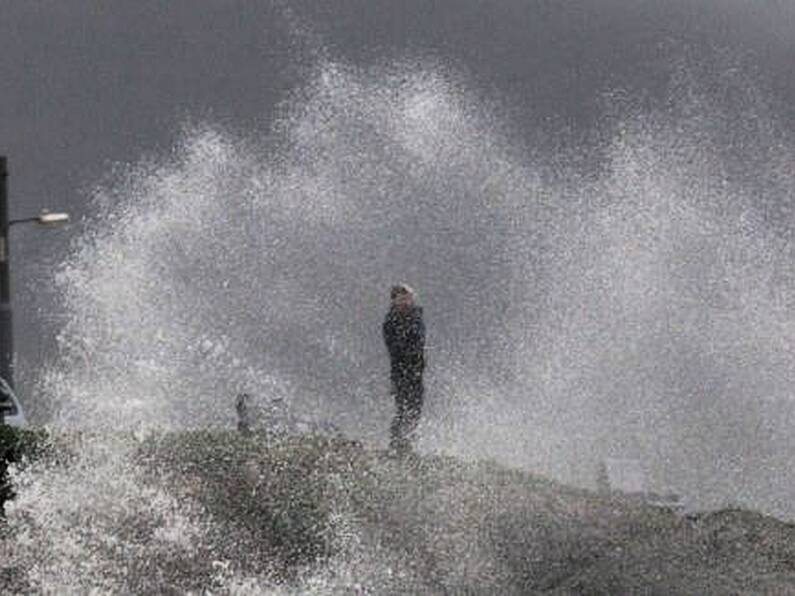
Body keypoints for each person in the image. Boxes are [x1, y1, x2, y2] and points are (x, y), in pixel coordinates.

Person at [382, 284, 426, 453]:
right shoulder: (391, 321)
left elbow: (419, 339)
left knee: (415, 407)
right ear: (394, 300)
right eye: (402, 298)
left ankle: (407, 440)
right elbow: (394, 347)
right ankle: (397, 442)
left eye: (408, 298)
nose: (406, 302)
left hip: (416, 370)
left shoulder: (416, 316)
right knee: (403, 407)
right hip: (401, 370)